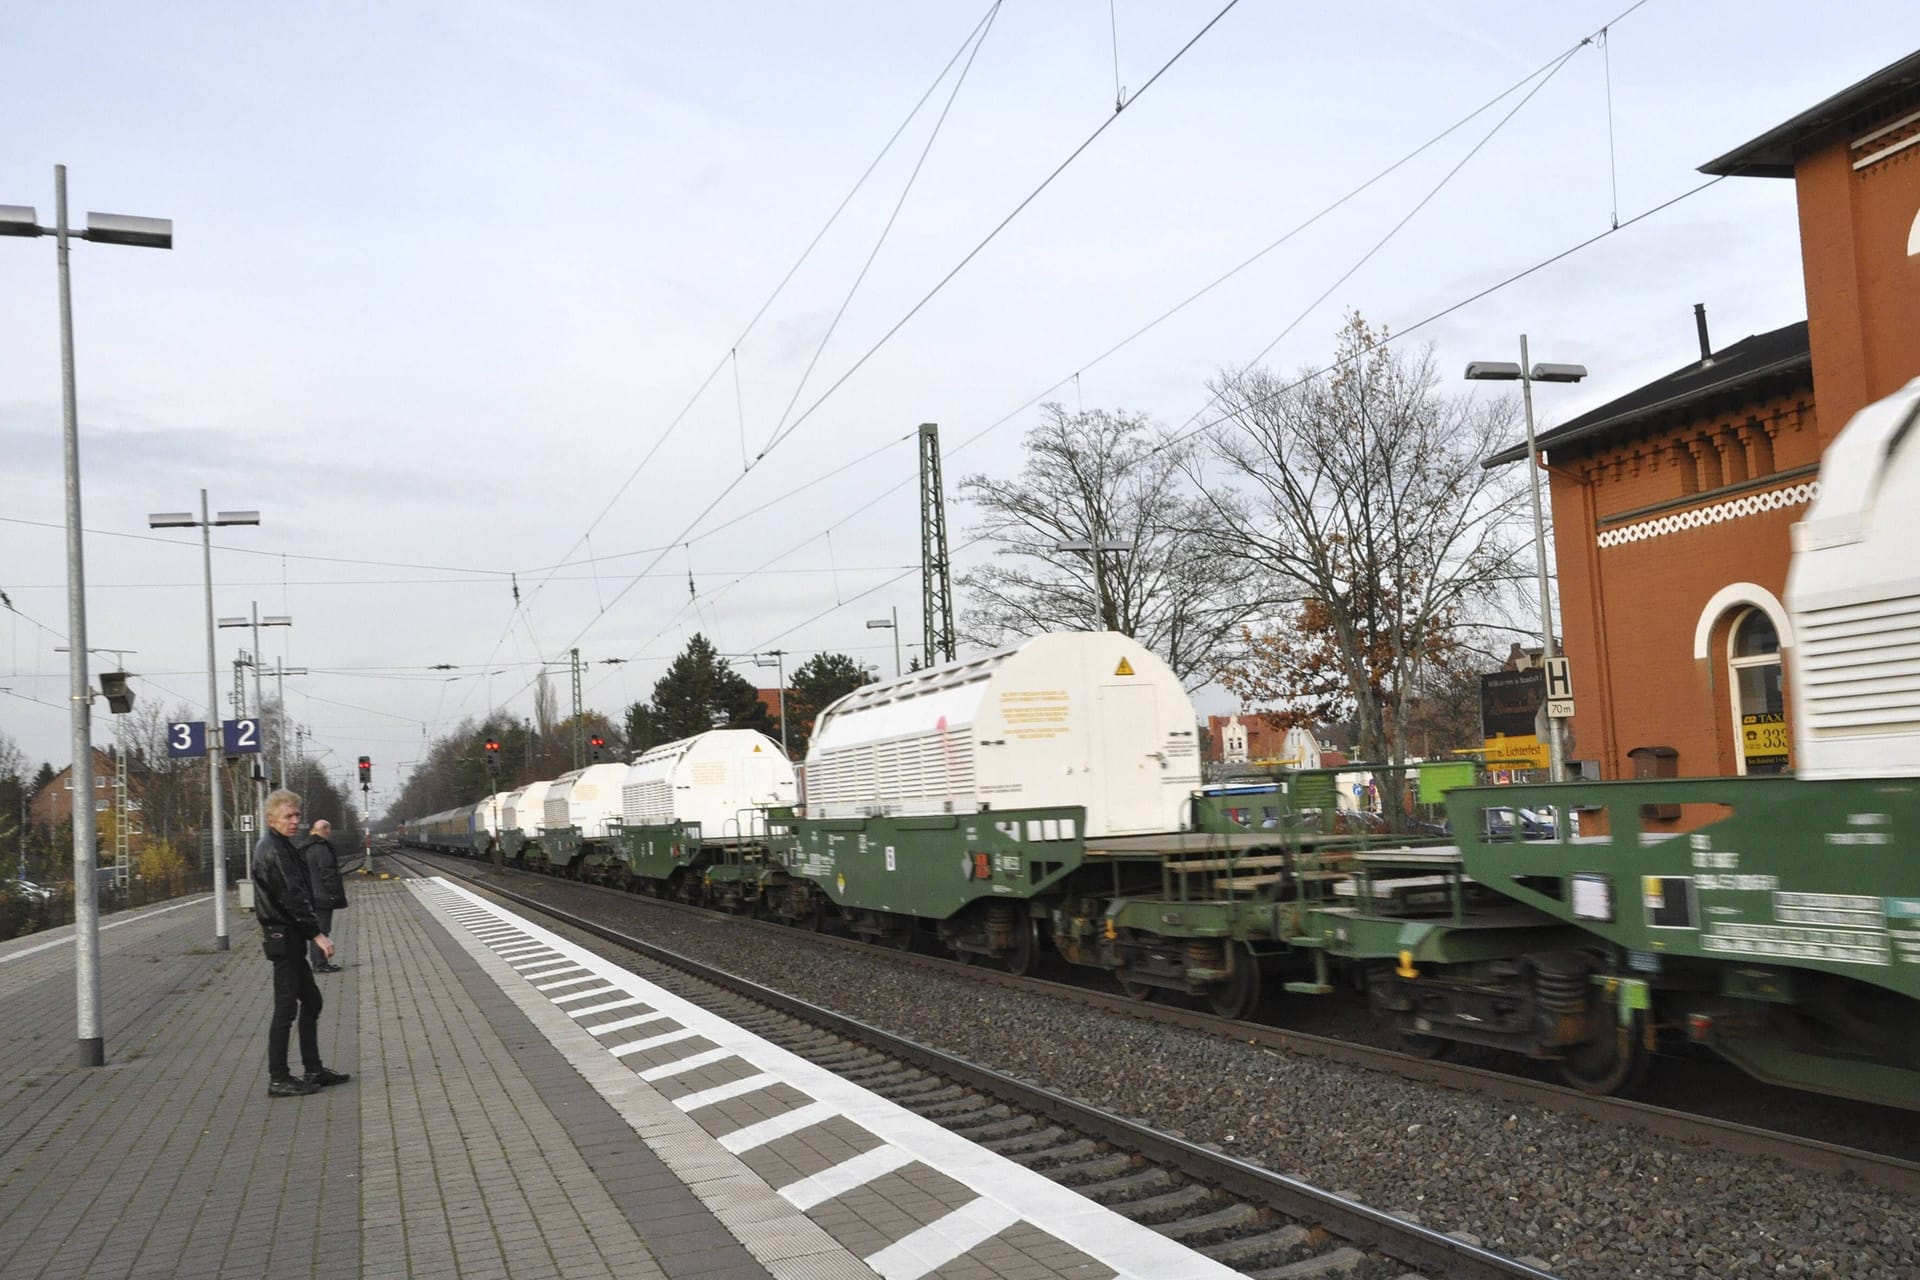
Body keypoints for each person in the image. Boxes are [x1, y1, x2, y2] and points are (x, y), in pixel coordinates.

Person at [252, 789, 350, 1098]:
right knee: (285, 1008)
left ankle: (313, 1068)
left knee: (312, 1001)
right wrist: (317, 934)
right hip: (284, 936)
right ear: (271, 819)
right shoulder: (274, 849)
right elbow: (292, 897)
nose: (295, 821)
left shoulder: (280, 845)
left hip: (290, 937)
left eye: (297, 815)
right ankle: (278, 1078)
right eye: (288, 816)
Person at [301, 818, 348, 972]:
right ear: (326, 830)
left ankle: (319, 962)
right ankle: (320, 963)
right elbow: (327, 872)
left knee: (318, 929)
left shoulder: (307, 846)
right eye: (328, 829)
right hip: (323, 896)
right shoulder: (322, 848)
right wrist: (334, 893)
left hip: (311, 893)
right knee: (322, 930)